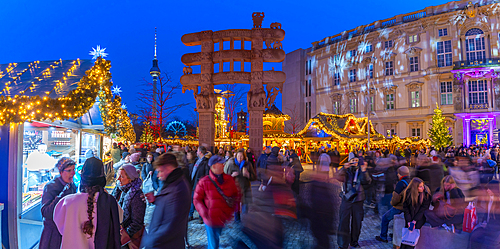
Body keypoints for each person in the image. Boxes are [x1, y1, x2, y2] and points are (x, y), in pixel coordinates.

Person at [54, 157, 121, 249]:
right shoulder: (110, 201)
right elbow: (120, 219)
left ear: (82, 178)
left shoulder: (66, 202)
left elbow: (61, 228)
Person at [141, 153, 191, 249]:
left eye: (160, 171)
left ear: (168, 168)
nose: (158, 175)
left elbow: (171, 225)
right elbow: (169, 203)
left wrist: (150, 241)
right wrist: (156, 199)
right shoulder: (172, 182)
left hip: (166, 244)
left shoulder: (178, 189)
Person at [193, 155, 239, 249]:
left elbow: (236, 194)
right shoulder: (204, 181)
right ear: (213, 166)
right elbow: (197, 199)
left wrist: (233, 209)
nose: (223, 165)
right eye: (221, 163)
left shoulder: (229, 179)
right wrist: (205, 213)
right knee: (213, 245)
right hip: (211, 219)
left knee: (220, 239)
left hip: (224, 217)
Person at [335, 152, 371, 249]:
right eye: (352, 160)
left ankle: (354, 241)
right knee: (343, 222)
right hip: (347, 199)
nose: (355, 162)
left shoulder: (361, 170)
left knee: (357, 222)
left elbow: (367, 182)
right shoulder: (346, 171)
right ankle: (343, 244)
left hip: (358, 200)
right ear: (349, 161)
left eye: (356, 160)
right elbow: (337, 177)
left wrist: (364, 171)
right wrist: (343, 168)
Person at [39, 158, 77, 249]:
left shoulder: (71, 185)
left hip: (66, 232)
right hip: (52, 235)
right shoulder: (50, 187)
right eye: (69, 171)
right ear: (60, 172)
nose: (73, 173)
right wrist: (62, 195)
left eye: (73, 170)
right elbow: (46, 212)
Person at [112, 164, 146, 248]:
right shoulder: (120, 190)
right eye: (118, 175)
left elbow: (137, 223)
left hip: (128, 240)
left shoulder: (137, 196)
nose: (118, 179)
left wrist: (123, 235)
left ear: (130, 179)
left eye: (122, 176)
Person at [376, 166, 410, 243]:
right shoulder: (411, 181)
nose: (397, 175)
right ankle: (395, 233)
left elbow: (396, 198)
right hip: (408, 207)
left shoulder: (400, 184)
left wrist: (393, 204)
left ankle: (383, 237)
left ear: (400, 174)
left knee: (385, 218)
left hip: (399, 207)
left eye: (398, 174)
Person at [401, 177, 432, 249]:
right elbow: (406, 208)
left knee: (412, 238)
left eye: (423, 186)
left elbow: (423, 209)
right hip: (410, 216)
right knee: (406, 237)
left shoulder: (426, 195)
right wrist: (409, 221)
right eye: (420, 187)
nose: (423, 188)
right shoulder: (408, 193)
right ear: (415, 188)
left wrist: (414, 221)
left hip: (420, 218)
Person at [224, 149, 252, 221]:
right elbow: (226, 176)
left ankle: (245, 219)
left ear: (244, 157)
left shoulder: (248, 164)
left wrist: (248, 175)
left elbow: (254, 177)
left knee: (245, 204)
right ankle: (237, 219)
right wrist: (231, 175)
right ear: (236, 156)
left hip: (245, 187)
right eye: (238, 156)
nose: (240, 158)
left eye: (241, 156)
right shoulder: (231, 164)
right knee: (236, 204)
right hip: (235, 188)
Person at [188, 146, 211, 221]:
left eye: (197, 151)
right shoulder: (197, 160)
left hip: (200, 184)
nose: (196, 152)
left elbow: (207, 174)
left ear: (200, 152)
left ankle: (201, 217)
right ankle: (190, 215)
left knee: (200, 201)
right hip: (193, 183)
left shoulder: (206, 162)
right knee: (192, 199)